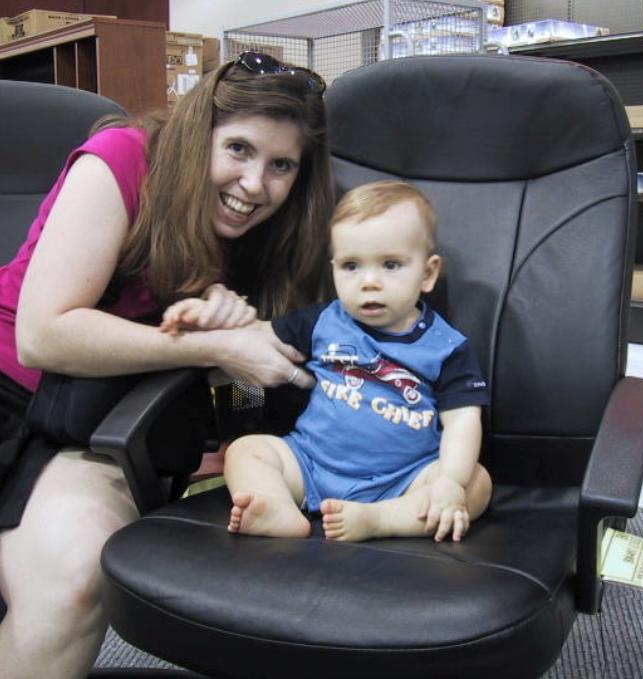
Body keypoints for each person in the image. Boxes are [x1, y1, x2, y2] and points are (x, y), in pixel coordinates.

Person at [0, 51, 334, 679]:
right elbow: (41, 336)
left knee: (76, 578)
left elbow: (256, 375)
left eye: (281, 165)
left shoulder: (270, 231)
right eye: (238, 149)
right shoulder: (123, 160)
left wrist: (233, 332)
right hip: (10, 385)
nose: (254, 185)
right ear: (198, 132)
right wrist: (212, 346)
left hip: (95, 426)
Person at [163, 181, 493, 543]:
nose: (369, 282)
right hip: (311, 463)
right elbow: (256, 336)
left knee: (475, 484)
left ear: (427, 274)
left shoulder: (446, 347)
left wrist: (449, 481)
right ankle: (275, 507)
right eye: (351, 266)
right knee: (247, 450)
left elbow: (463, 420)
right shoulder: (323, 321)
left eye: (391, 265)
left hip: (404, 478)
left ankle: (381, 519)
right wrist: (206, 319)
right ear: (334, 269)